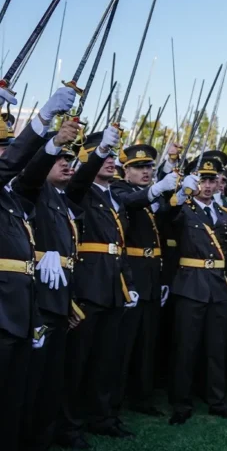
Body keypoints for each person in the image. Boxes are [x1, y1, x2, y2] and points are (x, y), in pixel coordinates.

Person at [0, 86, 75, 451]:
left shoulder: (11, 198)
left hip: (18, 312)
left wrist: (54, 143)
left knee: (13, 402)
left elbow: (27, 175)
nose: (5, 155)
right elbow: (13, 165)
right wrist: (43, 118)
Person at [58, 125, 139, 447]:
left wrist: (128, 283)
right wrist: (99, 151)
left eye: (110, 157)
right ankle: (70, 425)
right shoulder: (77, 190)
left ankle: (102, 416)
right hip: (89, 286)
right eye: (99, 157)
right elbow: (79, 180)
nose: (109, 162)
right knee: (79, 361)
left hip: (113, 285)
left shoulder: (115, 196)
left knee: (107, 360)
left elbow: (121, 244)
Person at [15, 120, 85, 451]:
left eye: (70, 160)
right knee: (31, 379)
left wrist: (68, 302)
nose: (66, 164)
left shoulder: (59, 199)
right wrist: (52, 142)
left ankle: (44, 435)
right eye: (60, 159)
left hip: (58, 299)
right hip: (36, 300)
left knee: (52, 377)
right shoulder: (32, 190)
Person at [168, 157, 227, 425]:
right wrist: (178, 192)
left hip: (218, 287)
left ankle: (217, 401)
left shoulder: (224, 215)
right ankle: (181, 403)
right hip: (190, 284)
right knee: (186, 348)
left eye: (212, 180)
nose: (208, 186)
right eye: (202, 180)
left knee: (216, 348)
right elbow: (165, 216)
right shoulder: (182, 210)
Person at [110, 145, 177, 419]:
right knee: (123, 344)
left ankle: (141, 396)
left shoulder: (151, 195)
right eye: (139, 167)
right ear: (125, 171)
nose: (146, 171)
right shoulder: (119, 190)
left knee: (147, 343)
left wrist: (177, 195)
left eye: (149, 167)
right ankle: (114, 399)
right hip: (131, 275)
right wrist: (159, 188)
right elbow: (133, 202)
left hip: (151, 274)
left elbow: (164, 220)